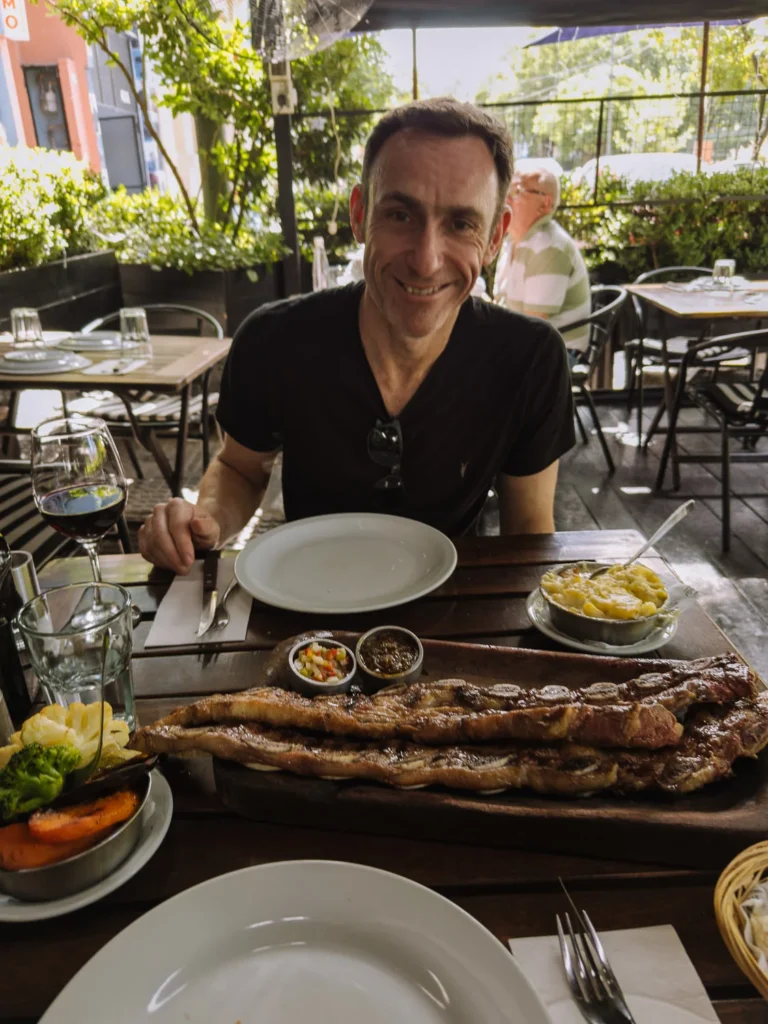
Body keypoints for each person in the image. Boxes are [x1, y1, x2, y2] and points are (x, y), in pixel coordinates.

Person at [138, 98, 575, 574]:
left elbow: (529, 530)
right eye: (400, 215)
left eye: (461, 224)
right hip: (308, 611)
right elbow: (241, 468)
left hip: (455, 607)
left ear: (495, 238)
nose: (427, 260)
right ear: (359, 213)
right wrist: (206, 522)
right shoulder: (274, 340)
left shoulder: (529, 359)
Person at [493, 166, 591, 364]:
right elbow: (502, 305)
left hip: (557, 355)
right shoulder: (513, 241)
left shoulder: (549, 247)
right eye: (506, 190)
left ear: (545, 204)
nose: (507, 198)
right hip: (525, 342)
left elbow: (534, 326)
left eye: (517, 191)